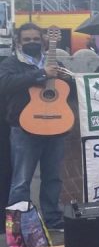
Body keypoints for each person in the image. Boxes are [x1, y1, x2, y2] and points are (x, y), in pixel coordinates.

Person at [0, 24, 73, 231]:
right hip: (24, 129)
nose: (32, 43)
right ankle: (18, 225)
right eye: (27, 40)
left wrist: (69, 80)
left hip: (56, 126)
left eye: (35, 39)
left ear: (43, 40)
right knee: (21, 180)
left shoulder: (55, 63)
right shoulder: (12, 63)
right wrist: (40, 74)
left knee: (53, 177)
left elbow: (67, 94)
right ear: (18, 42)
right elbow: (4, 83)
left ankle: (52, 219)